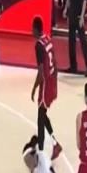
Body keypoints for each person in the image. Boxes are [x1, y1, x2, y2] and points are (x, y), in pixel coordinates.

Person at [31, 17, 62, 160]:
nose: (31, 31)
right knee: (42, 114)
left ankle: (41, 154)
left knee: (40, 118)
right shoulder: (47, 39)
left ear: (36, 29)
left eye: (32, 28)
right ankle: (55, 144)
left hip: (46, 83)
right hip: (52, 80)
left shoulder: (38, 45)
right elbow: (54, 61)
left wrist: (33, 89)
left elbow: (40, 73)